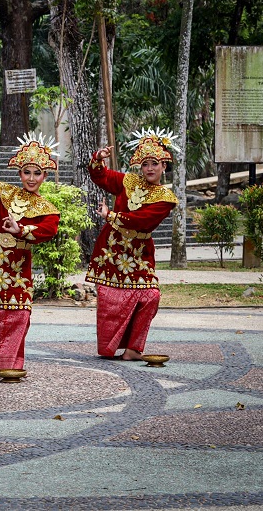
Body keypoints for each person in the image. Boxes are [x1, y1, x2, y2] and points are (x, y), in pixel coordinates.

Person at [0, 133, 60, 374]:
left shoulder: (48, 209)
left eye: (37, 173)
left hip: (17, 265)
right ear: (20, 174)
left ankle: (8, 363)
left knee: (19, 313)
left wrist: (21, 230)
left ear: (45, 176)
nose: (31, 178)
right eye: (27, 172)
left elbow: (49, 230)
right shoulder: (4, 192)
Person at [85, 128, 179, 360]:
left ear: (164, 166)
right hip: (112, 250)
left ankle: (133, 349)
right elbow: (101, 177)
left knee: (150, 296)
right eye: (145, 164)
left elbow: (143, 220)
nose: (149, 168)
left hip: (139, 254)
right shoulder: (128, 181)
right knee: (110, 298)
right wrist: (98, 159)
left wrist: (110, 215)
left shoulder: (165, 198)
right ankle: (110, 348)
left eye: (154, 164)